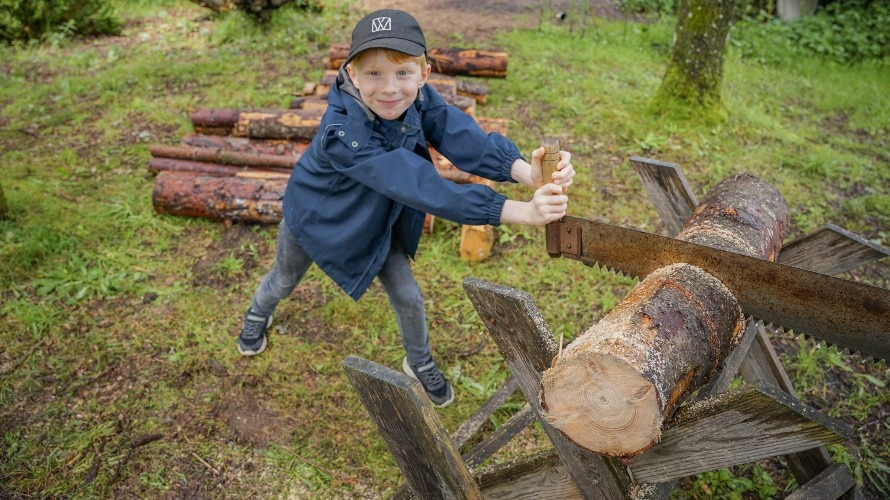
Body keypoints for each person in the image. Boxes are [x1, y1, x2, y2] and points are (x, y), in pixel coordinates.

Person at [237, 9, 574, 408]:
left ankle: (419, 361)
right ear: (352, 74)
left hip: (377, 218)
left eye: (402, 73)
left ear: (424, 74)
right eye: (374, 74)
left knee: (409, 297)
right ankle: (257, 316)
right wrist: (522, 213)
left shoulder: (414, 96)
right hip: (318, 217)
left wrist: (524, 172)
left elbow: (455, 131)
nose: (390, 88)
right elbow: (420, 184)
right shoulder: (343, 133)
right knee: (282, 280)